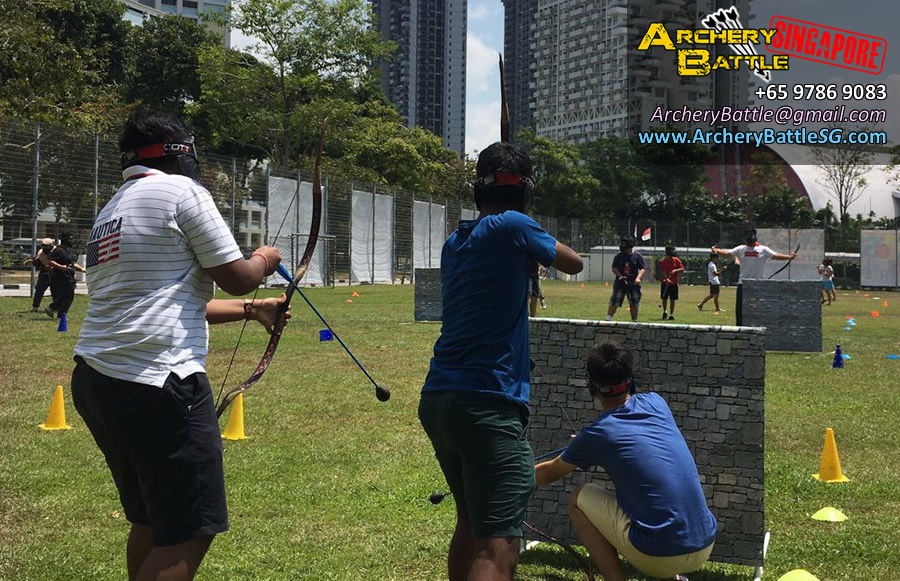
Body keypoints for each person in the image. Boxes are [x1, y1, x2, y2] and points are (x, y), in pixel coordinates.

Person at [71, 110, 287, 581]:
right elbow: (238, 277)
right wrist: (265, 258)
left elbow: (167, 303)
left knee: (152, 517)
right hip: (157, 382)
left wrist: (254, 311)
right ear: (183, 153)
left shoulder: (113, 209)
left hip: (98, 379)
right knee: (190, 527)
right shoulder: (181, 191)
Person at [418, 141, 583, 581]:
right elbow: (574, 262)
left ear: (478, 192)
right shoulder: (515, 226)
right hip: (487, 402)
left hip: (440, 399)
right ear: (526, 192)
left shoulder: (457, 240)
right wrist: (528, 228)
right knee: (499, 544)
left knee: (471, 521)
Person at [535, 342, 718, 581]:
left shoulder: (597, 435)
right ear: (628, 378)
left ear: (593, 386)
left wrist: (502, 477)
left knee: (578, 498)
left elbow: (549, 473)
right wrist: (586, 442)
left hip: (659, 556)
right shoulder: (657, 402)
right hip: (705, 544)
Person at [712, 229, 795, 326]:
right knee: (754, 307)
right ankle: (752, 325)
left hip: (746, 284)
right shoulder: (762, 249)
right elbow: (776, 256)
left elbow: (727, 253)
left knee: (742, 308)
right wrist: (789, 257)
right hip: (754, 284)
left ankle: (741, 326)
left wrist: (716, 250)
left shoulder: (743, 249)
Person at [605, 237, 645, 323]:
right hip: (620, 283)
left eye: (624, 244)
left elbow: (642, 269)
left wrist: (638, 278)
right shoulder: (618, 256)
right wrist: (620, 276)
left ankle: (634, 321)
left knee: (634, 303)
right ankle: (608, 319)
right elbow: (614, 268)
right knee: (614, 301)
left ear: (630, 246)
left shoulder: (637, 256)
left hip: (633, 284)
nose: (622, 246)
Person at [46, 233, 86, 319]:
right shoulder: (58, 250)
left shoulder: (69, 251)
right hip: (61, 276)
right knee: (68, 295)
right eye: (70, 239)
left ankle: (53, 308)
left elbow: (72, 263)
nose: (72, 241)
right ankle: (58, 313)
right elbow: (50, 261)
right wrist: (61, 267)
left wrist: (82, 269)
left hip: (69, 276)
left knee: (66, 295)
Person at [658, 245, 685, 321]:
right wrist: (666, 279)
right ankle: (665, 312)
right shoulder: (663, 261)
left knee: (673, 299)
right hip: (665, 283)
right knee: (664, 298)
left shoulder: (676, 260)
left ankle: (671, 314)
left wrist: (675, 270)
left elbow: (682, 268)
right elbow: (663, 271)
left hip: (674, 283)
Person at [31, 238, 55, 312]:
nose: (44, 247)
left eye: (46, 246)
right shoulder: (41, 252)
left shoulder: (56, 252)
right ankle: (35, 307)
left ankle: (56, 307)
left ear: (51, 245)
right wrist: (36, 262)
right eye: (43, 245)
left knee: (55, 291)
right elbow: (39, 263)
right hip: (45, 273)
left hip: (55, 273)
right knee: (39, 290)